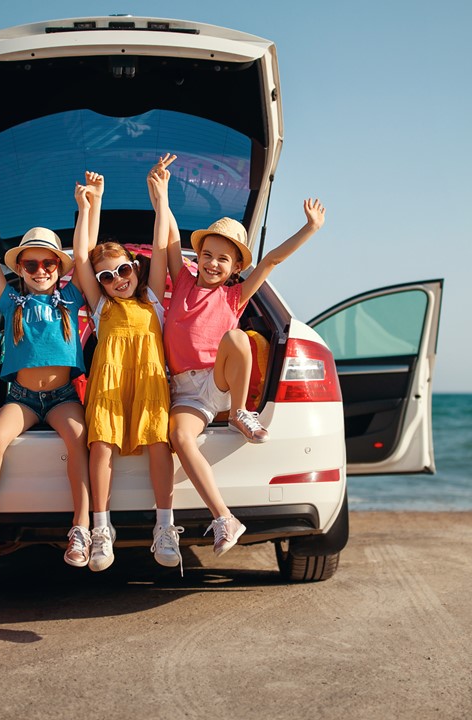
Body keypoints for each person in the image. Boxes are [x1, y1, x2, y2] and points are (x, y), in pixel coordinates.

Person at [159, 156, 326, 555]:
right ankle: (224, 518)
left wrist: (309, 228)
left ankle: (238, 413)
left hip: (217, 384)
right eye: (208, 255)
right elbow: (167, 239)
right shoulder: (181, 279)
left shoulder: (234, 295)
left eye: (223, 259)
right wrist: (162, 194)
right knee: (178, 437)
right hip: (185, 390)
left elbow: (271, 260)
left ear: (234, 267)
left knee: (236, 337)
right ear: (196, 257)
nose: (213, 263)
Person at [0, 180, 91, 573]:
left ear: (58, 268)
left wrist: (85, 207)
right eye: (31, 264)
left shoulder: (70, 298)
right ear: (19, 268)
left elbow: (83, 254)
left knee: (80, 439)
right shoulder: (11, 301)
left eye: (48, 264)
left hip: (63, 397)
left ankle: (81, 529)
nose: (40, 270)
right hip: (22, 398)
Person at [69, 161, 180, 571]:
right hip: (109, 387)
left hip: (151, 383)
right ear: (98, 284)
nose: (118, 279)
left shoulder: (151, 298)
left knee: (159, 444)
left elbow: (162, 240)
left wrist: (162, 198)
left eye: (123, 270)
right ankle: (101, 529)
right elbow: (81, 255)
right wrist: (89, 207)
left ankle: (164, 528)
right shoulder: (101, 308)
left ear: (135, 267)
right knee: (100, 446)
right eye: (108, 276)